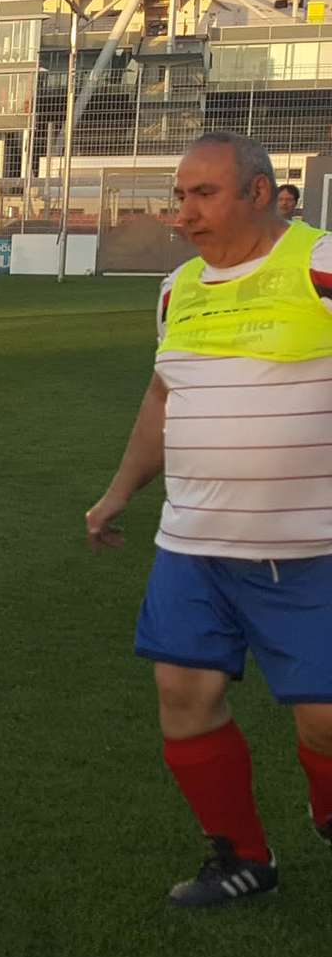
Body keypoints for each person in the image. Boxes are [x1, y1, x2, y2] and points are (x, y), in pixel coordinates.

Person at [85, 131, 332, 907]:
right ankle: (242, 859)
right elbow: (164, 398)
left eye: (203, 194)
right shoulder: (177, 289)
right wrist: (120, 490)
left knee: (324, 721)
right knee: (183, 696)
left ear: (259, 192)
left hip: (312, 546)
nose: (183, 212)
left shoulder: (321, 265)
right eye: (180, 195)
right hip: (194, 544)